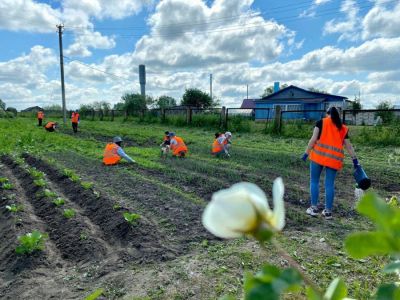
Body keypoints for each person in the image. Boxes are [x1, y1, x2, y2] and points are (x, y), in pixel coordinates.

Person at [301, 106, 359, 220]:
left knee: (314, 181)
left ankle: (313, 208)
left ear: (327, 113)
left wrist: (306, 153)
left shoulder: (320, 122)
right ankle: (328, 212)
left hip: (318, 157)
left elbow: (313, 140)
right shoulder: (343, 128)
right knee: (329, 184)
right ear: (339, 114)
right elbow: (349, 146)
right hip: (334, 160)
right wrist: (355, 160)